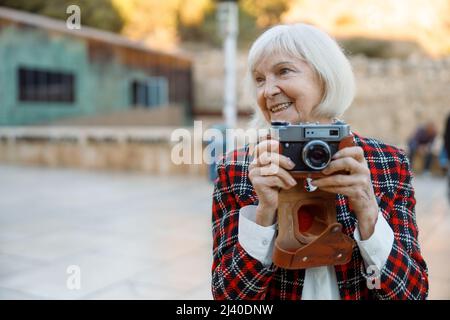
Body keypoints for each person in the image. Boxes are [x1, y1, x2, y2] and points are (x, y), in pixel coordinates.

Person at [211, 24, 428, 300]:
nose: (267, 91)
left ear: (324, 76)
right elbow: (227, 299)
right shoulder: (238, 170)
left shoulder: (387, 164)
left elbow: (413, 294)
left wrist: (368, 213)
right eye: (259, 79)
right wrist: (264, 213)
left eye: (283, 71)